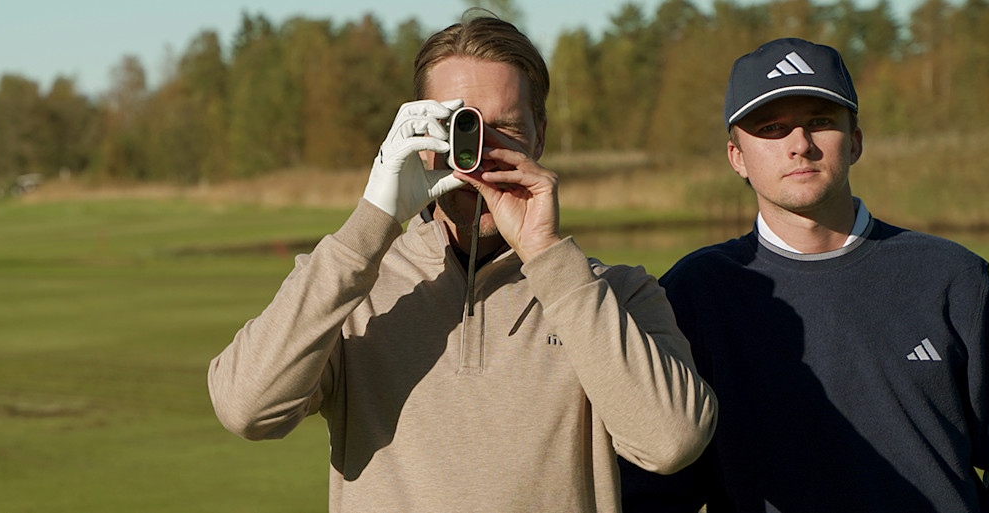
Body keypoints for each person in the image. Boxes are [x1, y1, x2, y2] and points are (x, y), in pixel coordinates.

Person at [206, 13, 717, 512]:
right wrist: (372, 221)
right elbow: (246, 409)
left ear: (540, 135)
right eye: (459, 129)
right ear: (416, 136)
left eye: (505, 130)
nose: (479, 155)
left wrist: (547, 255)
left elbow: (671, 442)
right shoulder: (352, 288)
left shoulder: (615, 294)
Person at [619, 38, 989, 511]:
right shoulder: (696, 290)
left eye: (821, 122)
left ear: (855, 140)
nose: (800, 146)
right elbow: (657, 491)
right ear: (737, 157)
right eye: (772, 128)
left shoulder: (951, 276)